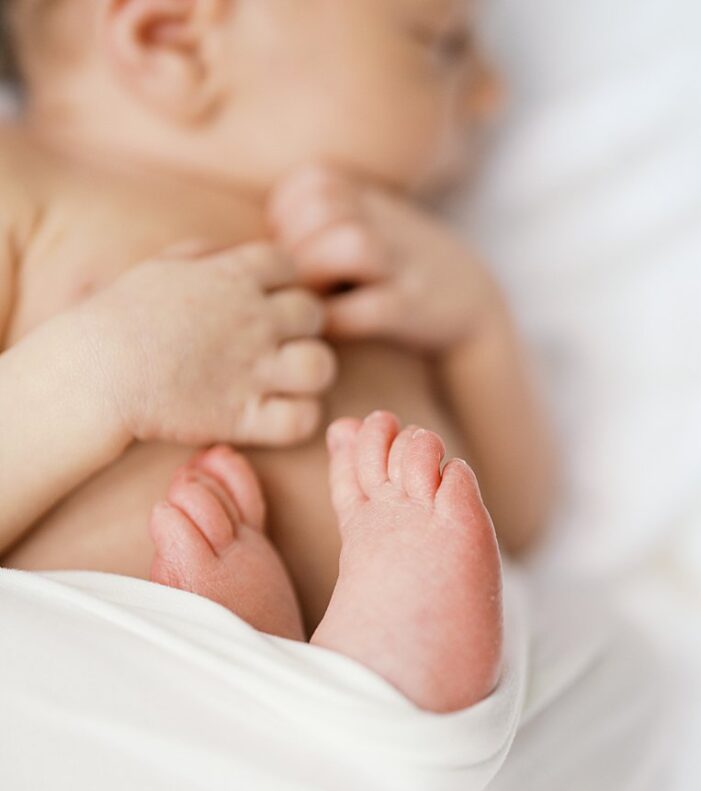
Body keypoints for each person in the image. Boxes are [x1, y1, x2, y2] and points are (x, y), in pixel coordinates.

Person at [0, 0, 555, 711]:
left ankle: (370, 672)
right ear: (174, 40)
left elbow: (519, 520)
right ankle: (240, 656)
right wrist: (105, 371)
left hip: (367, 722)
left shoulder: (380, 253)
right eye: (440, 44)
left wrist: (479, 325)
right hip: (91, 698)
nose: (492, 92)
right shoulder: (26, 182)